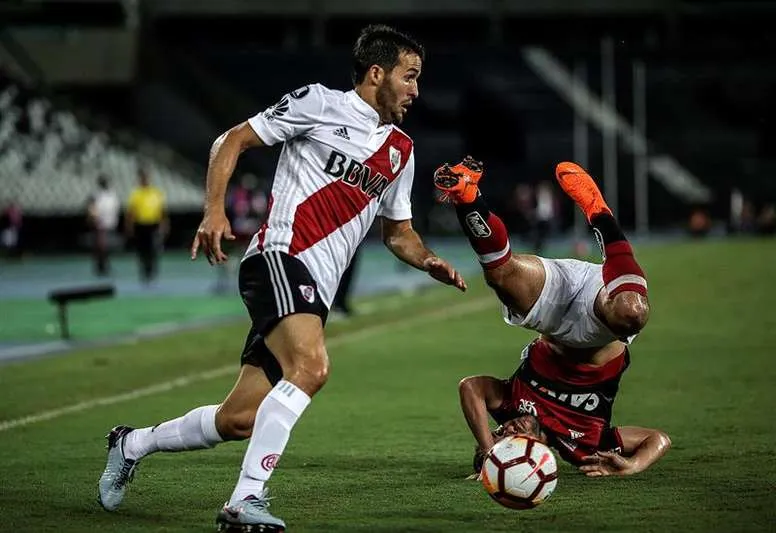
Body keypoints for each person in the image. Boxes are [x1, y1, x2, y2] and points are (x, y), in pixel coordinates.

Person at [97, 25, 466, 532]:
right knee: (311, 367)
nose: (416, 90)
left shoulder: (401, 150)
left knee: (238, 419)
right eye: (410, 76)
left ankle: (131, 443)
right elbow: (232, 140)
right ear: (376, 73)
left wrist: (428, 261)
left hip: (314, 290)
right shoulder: (318, 103)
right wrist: (213, 210)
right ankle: (245, 500)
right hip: (280, 256)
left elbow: (399, 234)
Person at [433, 157, 670, 476]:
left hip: (554, 318)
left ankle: (467, 195)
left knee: (501, 276)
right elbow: (658, 439)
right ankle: (599, 213)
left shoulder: (510, 407)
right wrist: (632, 465)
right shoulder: (583, 446)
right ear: (530, 455)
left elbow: (470, 387)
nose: (505, 430)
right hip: (599, 324)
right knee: (633, 311)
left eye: (499, 433)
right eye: (508, 441)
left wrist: (487, 446)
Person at [125, 167, 167, 284]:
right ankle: (144, 271)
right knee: (142, 250)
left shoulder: (156, 193)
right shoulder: (135, 194)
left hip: (153, 225)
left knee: (153, 248)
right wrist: (129, 226)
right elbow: (131, 212)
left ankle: (152, 270)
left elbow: (162, 211)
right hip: (140, 225)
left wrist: (164, 225)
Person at [87, 175, 120, 276]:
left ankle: (104, 265)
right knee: (101, 246)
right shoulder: (96, 195)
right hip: (99, 224)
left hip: (109, 224)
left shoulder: (112, 195)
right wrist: (94, 218)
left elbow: (115, 208)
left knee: (105, 246)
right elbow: (91, 208)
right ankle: (100, 267)